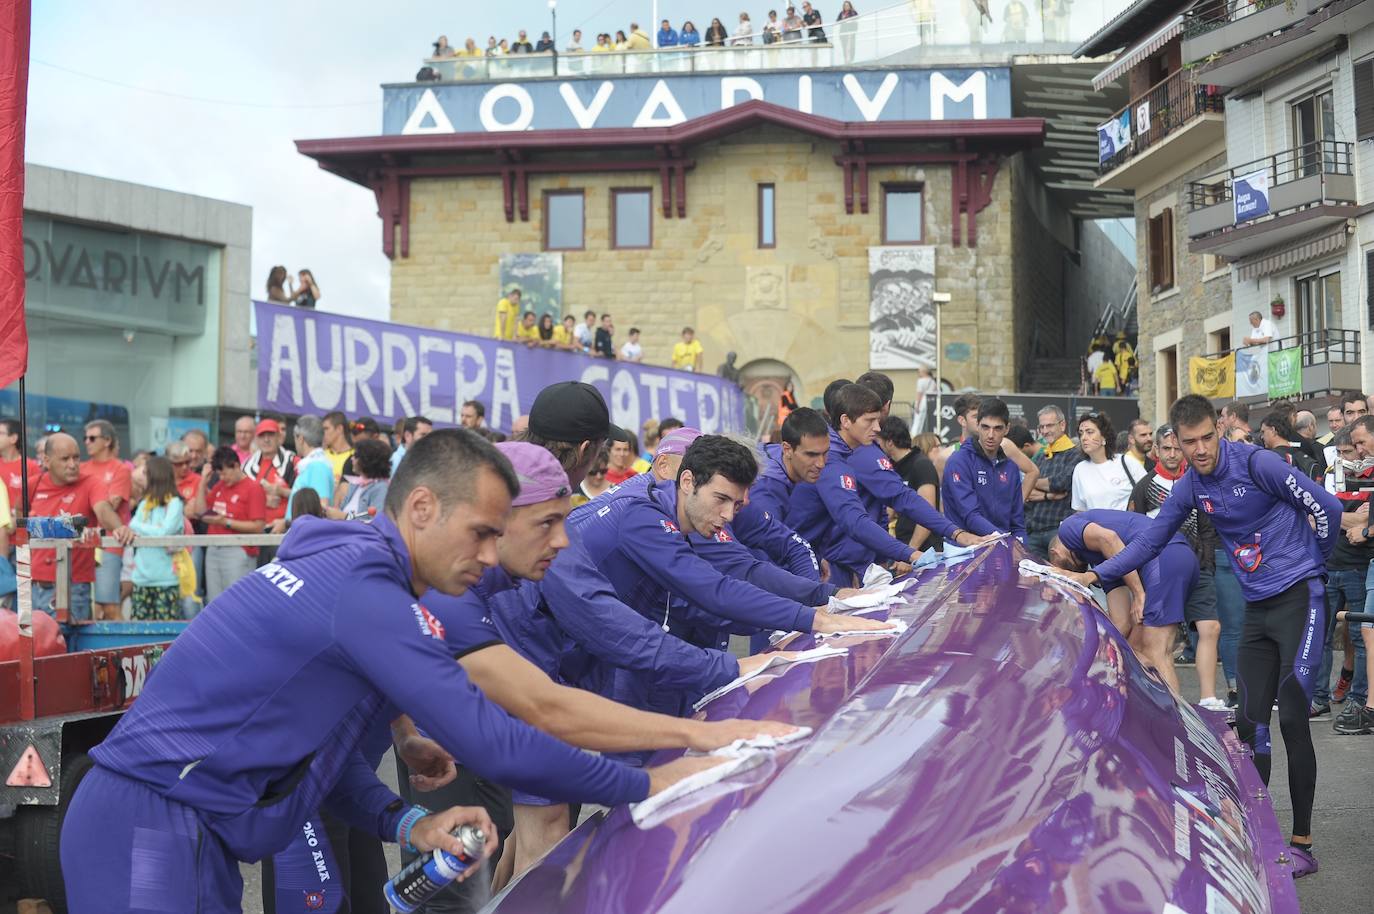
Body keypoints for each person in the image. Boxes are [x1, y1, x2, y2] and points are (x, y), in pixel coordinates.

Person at [62, 430, 722, 913]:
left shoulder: (370, 576)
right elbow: (499, 736)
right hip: (148, 824)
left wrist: (408, 822)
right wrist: (651, 778)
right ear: (423, 510)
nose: (491, 558)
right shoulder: (364, 588)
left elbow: (318, 763)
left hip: (186, 827)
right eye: (482, 534)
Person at [1062, 395, 1339, 876]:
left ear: (1219, 429)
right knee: (1250, 723)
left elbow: (1328, 507)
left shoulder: (1258, 463)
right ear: (1175, 442)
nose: (1201, 449)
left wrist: (1315, 561)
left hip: (1301, 598)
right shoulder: (1190, 485)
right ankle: (1259, 836)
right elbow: (1149, 540)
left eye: (1208, 437)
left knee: (1293, 717)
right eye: (1189, 442)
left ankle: (1304, 842)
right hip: (1258, 609)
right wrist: (1095, 576)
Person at [792, 385, 986, 586]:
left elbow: (896, 500)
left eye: (878, 419)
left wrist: (954, 532)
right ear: (845, 421)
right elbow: (856, 519)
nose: (877, 428)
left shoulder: (848, 452)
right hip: (808, 560)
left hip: (820, 557)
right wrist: (911, 553)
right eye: (870, 420)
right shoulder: (834, 459)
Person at [1129, 425, 1224, 709]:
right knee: (1163, 640)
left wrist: (1206, 566)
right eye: (1166, 449)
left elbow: (1208, 529)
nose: (1172, 455)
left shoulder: (1198, 482)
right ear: (1156, 450)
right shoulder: (1144, 486)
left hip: (1198, 568)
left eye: (1176, 448)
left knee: (1211, 627)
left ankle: (1208, 698)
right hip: (1159, 573)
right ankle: (1169, 704)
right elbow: (1134, 530)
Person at [1049, 509, 1195, 695]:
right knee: (1134, 647)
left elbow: (1110, 538)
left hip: (1165, 555)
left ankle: (1176, 721)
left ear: (1055, 554)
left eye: (1064, 573)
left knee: (1156, 649)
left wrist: (1139, 593)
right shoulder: (1103, 562)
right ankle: (1154, 711)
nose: (1071, 576)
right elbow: (1121, 625)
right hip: (1174, 557)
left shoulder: (1068, 528)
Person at [27, 433, 127, 624]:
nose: (72, 464)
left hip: (73, 589)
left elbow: (103, 510)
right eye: (65, 459)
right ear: (46, 461)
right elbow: (19, 518)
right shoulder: (33, 484)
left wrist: (120, 528)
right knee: (36, 650)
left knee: (69, 649)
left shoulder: (91, 483)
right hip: (34, 587)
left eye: (76, 457)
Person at [1313, 426, 1373, 723]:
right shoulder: (1329, 473)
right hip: (1329, 564)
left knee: (1361, 637)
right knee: (1319, 636)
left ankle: (1358, 699)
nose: (1346, 458)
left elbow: (1366, 518)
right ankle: (1318, 698)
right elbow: (1317, 515)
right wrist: (1349, 516)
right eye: (1340, 453)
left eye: (1350, 451)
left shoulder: (1369, 472)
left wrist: (1336, 514)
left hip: (1358, 565)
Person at [941, 398, 1025, 541]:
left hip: (1002, 546)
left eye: (997, 428)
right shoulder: (959, 461)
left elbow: (1017, 525)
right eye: (985, 427)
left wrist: (1021, 549)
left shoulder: (1010, 467)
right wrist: (1008, 541)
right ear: (978, 426)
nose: (991, 435)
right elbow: (970, 517)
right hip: (965, 550)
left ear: (1007, 429)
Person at [191, 446, 267, 601]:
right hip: (213, 548)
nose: (222, 478)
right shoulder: (221, 486)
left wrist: (226, 522)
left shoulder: (253, 488)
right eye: (219, 474)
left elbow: (258, 526)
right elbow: (200, 512)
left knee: (237, 601)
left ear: (236, 466)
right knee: (214, 601)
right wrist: (202, 484)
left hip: (238, 550)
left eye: (225, 473)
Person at [82, 420, 133, 621]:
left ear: (107, 441)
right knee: (90, 608)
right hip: (83, 543)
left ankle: (121, 651)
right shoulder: (81, 467)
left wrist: (88, 503)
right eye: (85, 437)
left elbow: (109, 506)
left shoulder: (120, 469)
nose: (87, 442)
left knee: (109, 605)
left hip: (109, 543)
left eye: (92, 438)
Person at [127, 456, 186, 622]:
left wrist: (143, 529)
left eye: (145, 473)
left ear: (156, 476)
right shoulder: (145, 502)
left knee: (165, 633)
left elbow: (165, 532)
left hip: (166, 579)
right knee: (139, 632)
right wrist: (154, 530)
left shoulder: (174, 503)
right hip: (141, 579)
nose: (141, 477)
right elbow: (132, 524)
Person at [876, 416, 940, 550]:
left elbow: (927, 514)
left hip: (925, 551)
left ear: (889, 443)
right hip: (904, 545)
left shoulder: (921, 465)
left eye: (878, 442)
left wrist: (911, 551)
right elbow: (890, 510)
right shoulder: (892, 468)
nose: (876, 447)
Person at [1071, 412, 1133, 511]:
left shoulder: (1127, 462)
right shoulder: (1080, 469)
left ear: (1104, 436)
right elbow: (1080, 510)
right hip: (1095, 525)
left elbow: (1148, 495)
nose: (1083, 438)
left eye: (1089, 432)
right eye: (1081, 433)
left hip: (1126, 525)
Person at [1260, 411, 1321, 481]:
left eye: (1263, 432)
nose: (1262, 437)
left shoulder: (1271, 458)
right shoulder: (1303, 455)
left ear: (1273, 430)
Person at [0, 417, 41, 520]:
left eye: (0, 433)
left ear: (13, 438)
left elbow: (38, 502)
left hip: (20, 530)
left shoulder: (31, 466)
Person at [321, 411, 354, 482]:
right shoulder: (321, 455)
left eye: (326, 429)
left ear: (339, 429)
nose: (323, 433)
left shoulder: (355, 457)